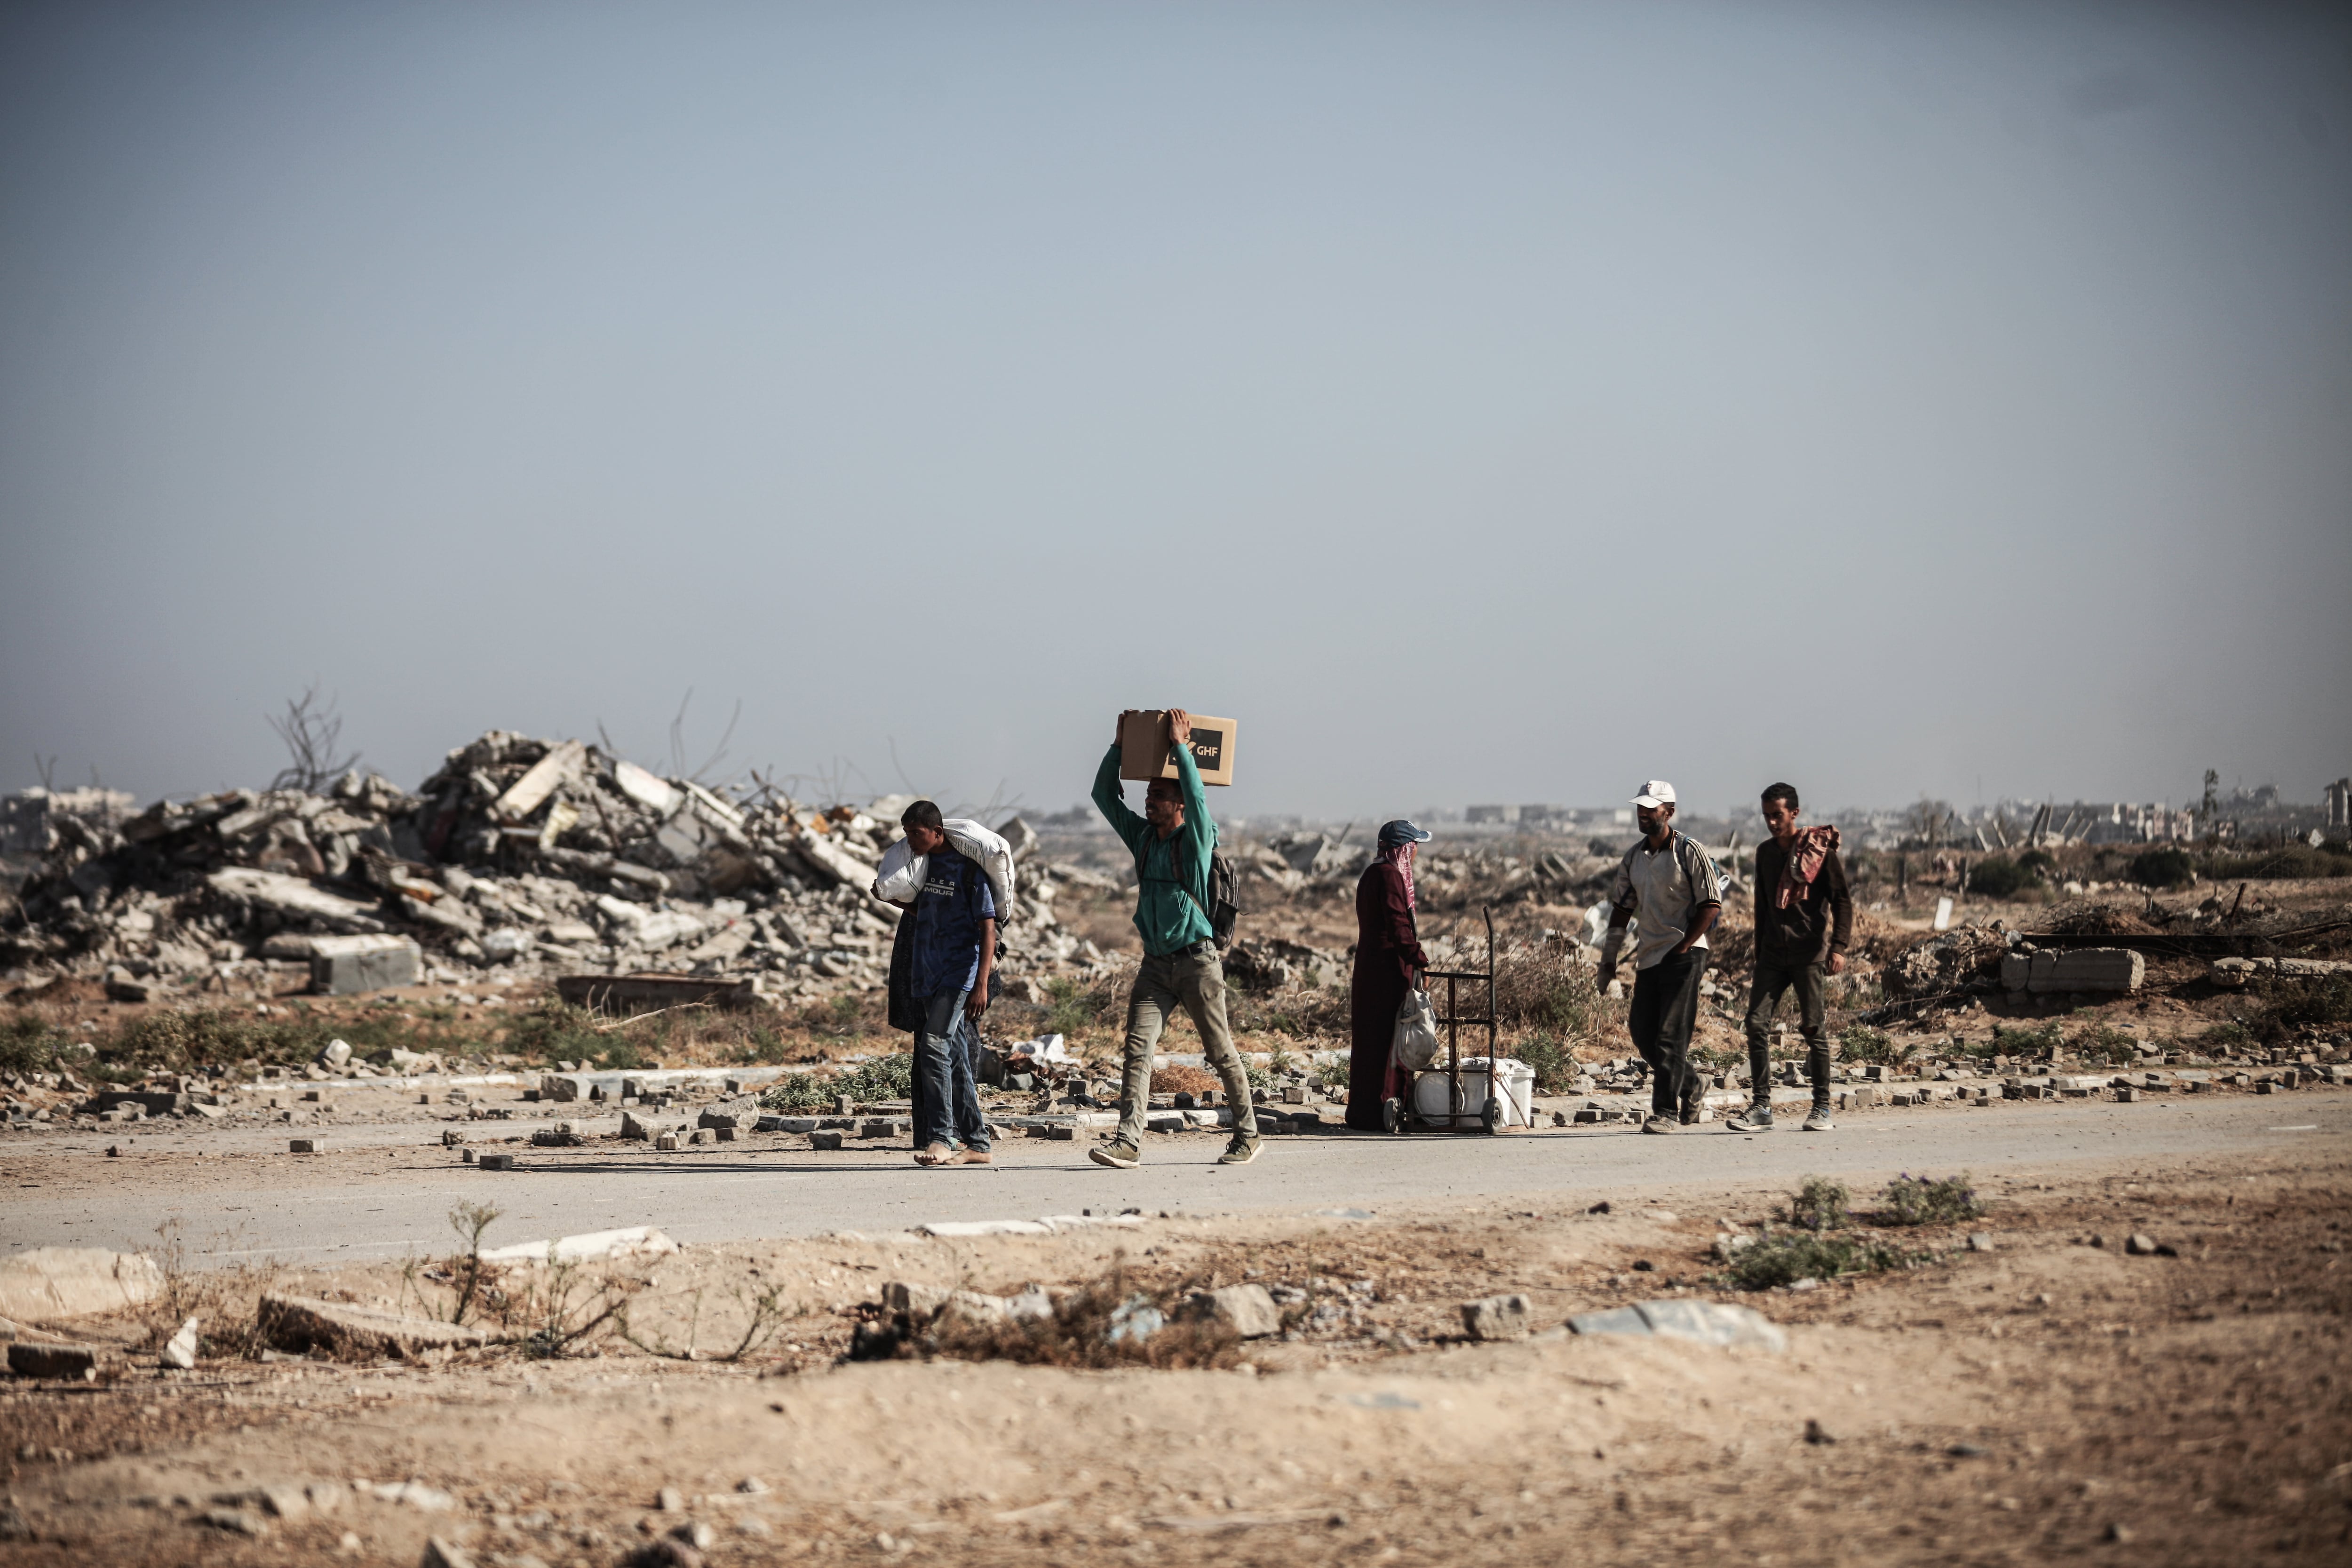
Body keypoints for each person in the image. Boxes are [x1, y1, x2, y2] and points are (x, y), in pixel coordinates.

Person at [1087, 709, 1262, 1169]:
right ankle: (1127, 1142)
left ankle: (1247, 1135)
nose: (1150, 802)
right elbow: (1102, 795)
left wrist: (1182, 748)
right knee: (1136, 1051)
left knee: (1219, 1051)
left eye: (1160, 796)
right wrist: (1118, 745)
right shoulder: (1143, 839)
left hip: (1196, 963)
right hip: (1155, 965)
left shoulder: (1195, 841)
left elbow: (1202, 804)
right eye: (1148, 794)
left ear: (1180, 802)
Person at [1599, 780, 1724, 1134]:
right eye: (1641, 807)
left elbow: (1711, 904)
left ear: (1668, 812)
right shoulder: (1634, 858)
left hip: (1685, 956)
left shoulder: (1689, 850)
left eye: (1651, 808)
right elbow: (1622, 911)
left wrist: (1684, 945)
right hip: (1650, 957)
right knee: (1643, 1032)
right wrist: (1609, 959)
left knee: (1670, 1036)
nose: (1643, 813)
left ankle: (1665, 1112)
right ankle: (1691, 1084)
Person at [1726, 783, 1851, 1134]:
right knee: (1755, 1023)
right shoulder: (1765, 853)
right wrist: (1758, 949)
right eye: (1766, 816)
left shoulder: (1818, 850)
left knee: (1813, 1027)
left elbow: (1842, 900)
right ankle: (1762, 1107)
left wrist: (1838, 946)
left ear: (1793, 813)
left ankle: (1822, 1107)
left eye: (1777, 815)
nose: (1771, 822)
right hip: (1771, 955)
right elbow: (1761, 906)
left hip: (1808, 953)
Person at [896, 800, 995, 1167]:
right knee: (953, 1057)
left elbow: (988, 930)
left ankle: (942, 1137)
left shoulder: (970, 872)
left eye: (917, 833)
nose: (911, 840)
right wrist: (892, 900)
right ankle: (979, 1143)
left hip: (958, 973)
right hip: (926, 971)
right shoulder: (920, 869)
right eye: (906, 834)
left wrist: (981, 984)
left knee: (933, 1045)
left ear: (937, 832)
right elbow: (926, 911)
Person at [1347, 820, 1431, 1131]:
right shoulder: (1390, 877)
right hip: (1387, 972)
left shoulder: (1370, 874)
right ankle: (1388, 1107)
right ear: (1405, 849)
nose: (1418, 852)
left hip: (1368, 968)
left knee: (1370, 1041)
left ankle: (1363, 1111)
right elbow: (1398, 926)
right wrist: (1418, 959)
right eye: (1415, 845)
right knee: (1393, 1041)